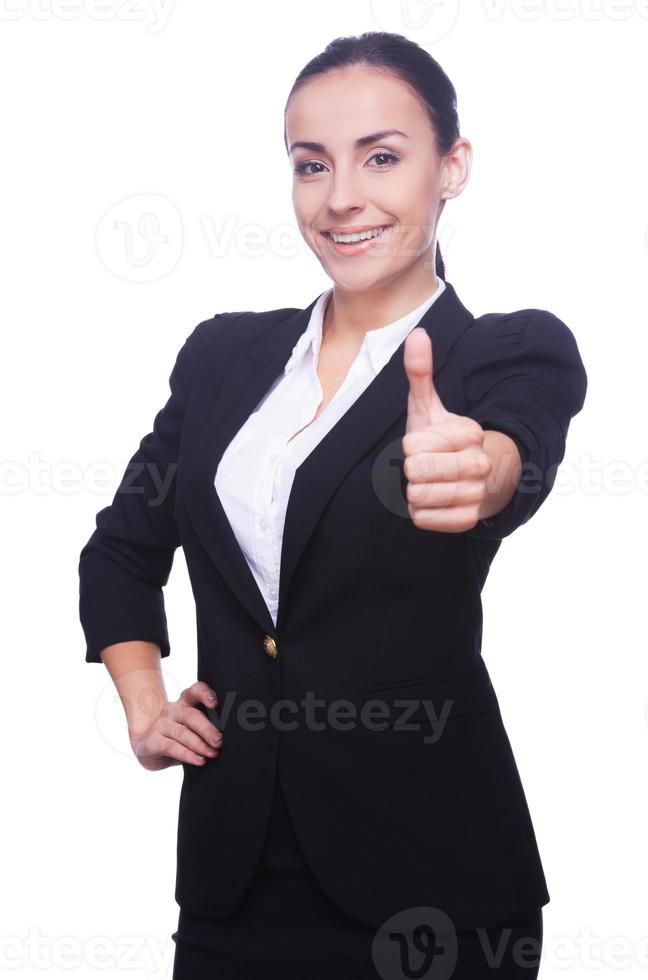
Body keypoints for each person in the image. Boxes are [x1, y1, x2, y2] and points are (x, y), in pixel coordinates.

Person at [78, 31, 587, 979]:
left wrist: (483, 470)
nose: (341, 196)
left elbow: (516, 454)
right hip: (233, 882)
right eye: (312, 165)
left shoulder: (504, 353)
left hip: (436, 889)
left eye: (382, 157)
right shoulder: (223, 356)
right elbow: (118, 550)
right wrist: (145, 708)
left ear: (453, 168)